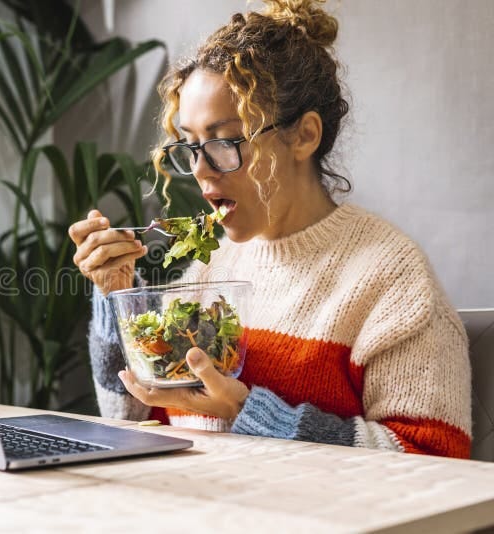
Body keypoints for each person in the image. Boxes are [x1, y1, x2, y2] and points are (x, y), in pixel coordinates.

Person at [67, 0, 471, 458]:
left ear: (304, 135)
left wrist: (247, 411)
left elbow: (434, 459)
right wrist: (115, 293)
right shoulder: (211, 269)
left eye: (223, 141)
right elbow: (129, 419)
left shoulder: (392, 278)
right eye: (192, 146)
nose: (200, 170)